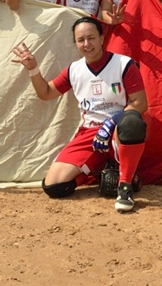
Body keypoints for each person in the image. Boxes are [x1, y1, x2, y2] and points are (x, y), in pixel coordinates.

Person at [11, 16, 148, 212]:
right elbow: (46, 93)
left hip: (119, 130)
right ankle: (104, 171)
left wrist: (110, 123)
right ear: (75, 43)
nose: (87, 44)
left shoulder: (124, 64)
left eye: (91, 38)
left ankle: (125, 186)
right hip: (90, 134)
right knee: (55, 186)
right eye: (80, 40)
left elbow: (140, 104)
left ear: (102, 38)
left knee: (133, 122)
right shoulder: (74, 70)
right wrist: (33, 69)